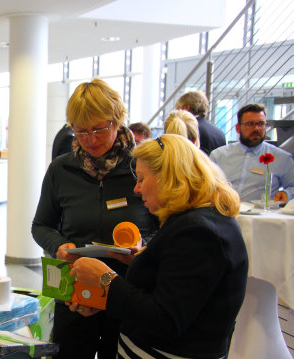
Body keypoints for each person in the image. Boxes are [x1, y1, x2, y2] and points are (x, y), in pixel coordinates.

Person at [70, 134, 248, 358]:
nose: (136, 189)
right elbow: (174, 288)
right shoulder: (197, 220)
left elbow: (165, 319)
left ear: (169, 179)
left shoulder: (198, 233)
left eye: (142, 179)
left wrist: (105, 279)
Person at [31, 78, 157, 359]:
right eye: (81, 131)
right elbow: (41, 225)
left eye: (99, 129)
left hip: (130, 291)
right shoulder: (61, 170)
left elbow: (165, 227)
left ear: (117, 120)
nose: (90, 140)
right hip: (76, 291)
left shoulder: (141, 166)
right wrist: (58, 245)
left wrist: (144, 248)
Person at [210, 103, 294, 202]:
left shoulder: (281, 158)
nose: (256, 129)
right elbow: (205, 186)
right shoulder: (218, 155)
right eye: (250, 124)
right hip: (224, 213)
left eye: (261, 124)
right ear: (238, 128)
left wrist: (286, 193)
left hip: (262, 216)